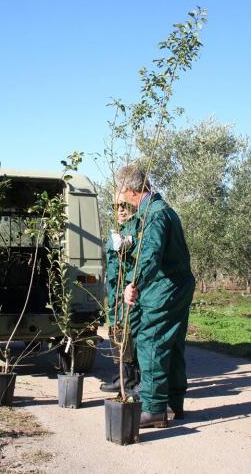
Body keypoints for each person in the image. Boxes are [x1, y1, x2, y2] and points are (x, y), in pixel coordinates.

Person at [117, 165, 195, 428]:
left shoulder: (153, 215)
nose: (121, 197)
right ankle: (174, 403)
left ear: (129, 190)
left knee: (151, 341)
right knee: (172, 343)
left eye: (121, 191)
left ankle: (153, 409)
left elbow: (150, 255)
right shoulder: (165, 210)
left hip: (165, 287)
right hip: (179, 284)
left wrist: (133, 283)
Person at [100, 194, 140, 395]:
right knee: (116, 331)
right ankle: (122, 377)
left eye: (124, 206)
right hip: (115, 291)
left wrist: (129, 242)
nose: (121, 211)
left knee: (128, 332)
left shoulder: (136, 228)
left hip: (127, 291)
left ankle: (133, 381)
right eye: (117, 207)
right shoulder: (117, 230)